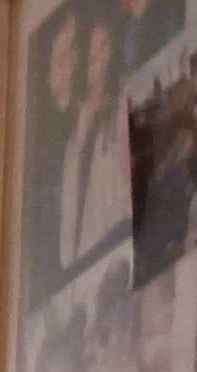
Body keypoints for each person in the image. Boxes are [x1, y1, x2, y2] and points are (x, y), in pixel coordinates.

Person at [60, 17, 133, 265]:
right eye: (92, 57)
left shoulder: (123, 104)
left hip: (119, 244)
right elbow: (68, 242)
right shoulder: (75, 140)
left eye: (106, 47)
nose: (101, 62)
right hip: (89, 258)